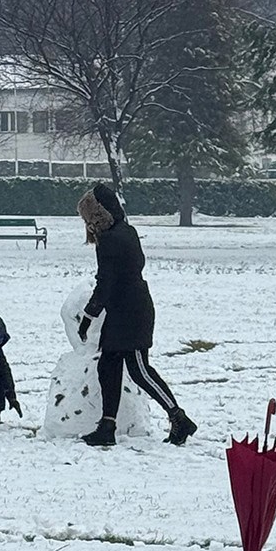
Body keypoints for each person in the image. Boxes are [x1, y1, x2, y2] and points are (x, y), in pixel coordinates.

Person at [76, 181, 196, 448]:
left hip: (131, 313)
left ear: (98, 216)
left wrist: (87, 317)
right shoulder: (126, 231)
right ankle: (107, 425)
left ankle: (178, 418)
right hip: (125, 311)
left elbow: (105, 283)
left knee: (140, 370)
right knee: (107, 365)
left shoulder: (111, 240)